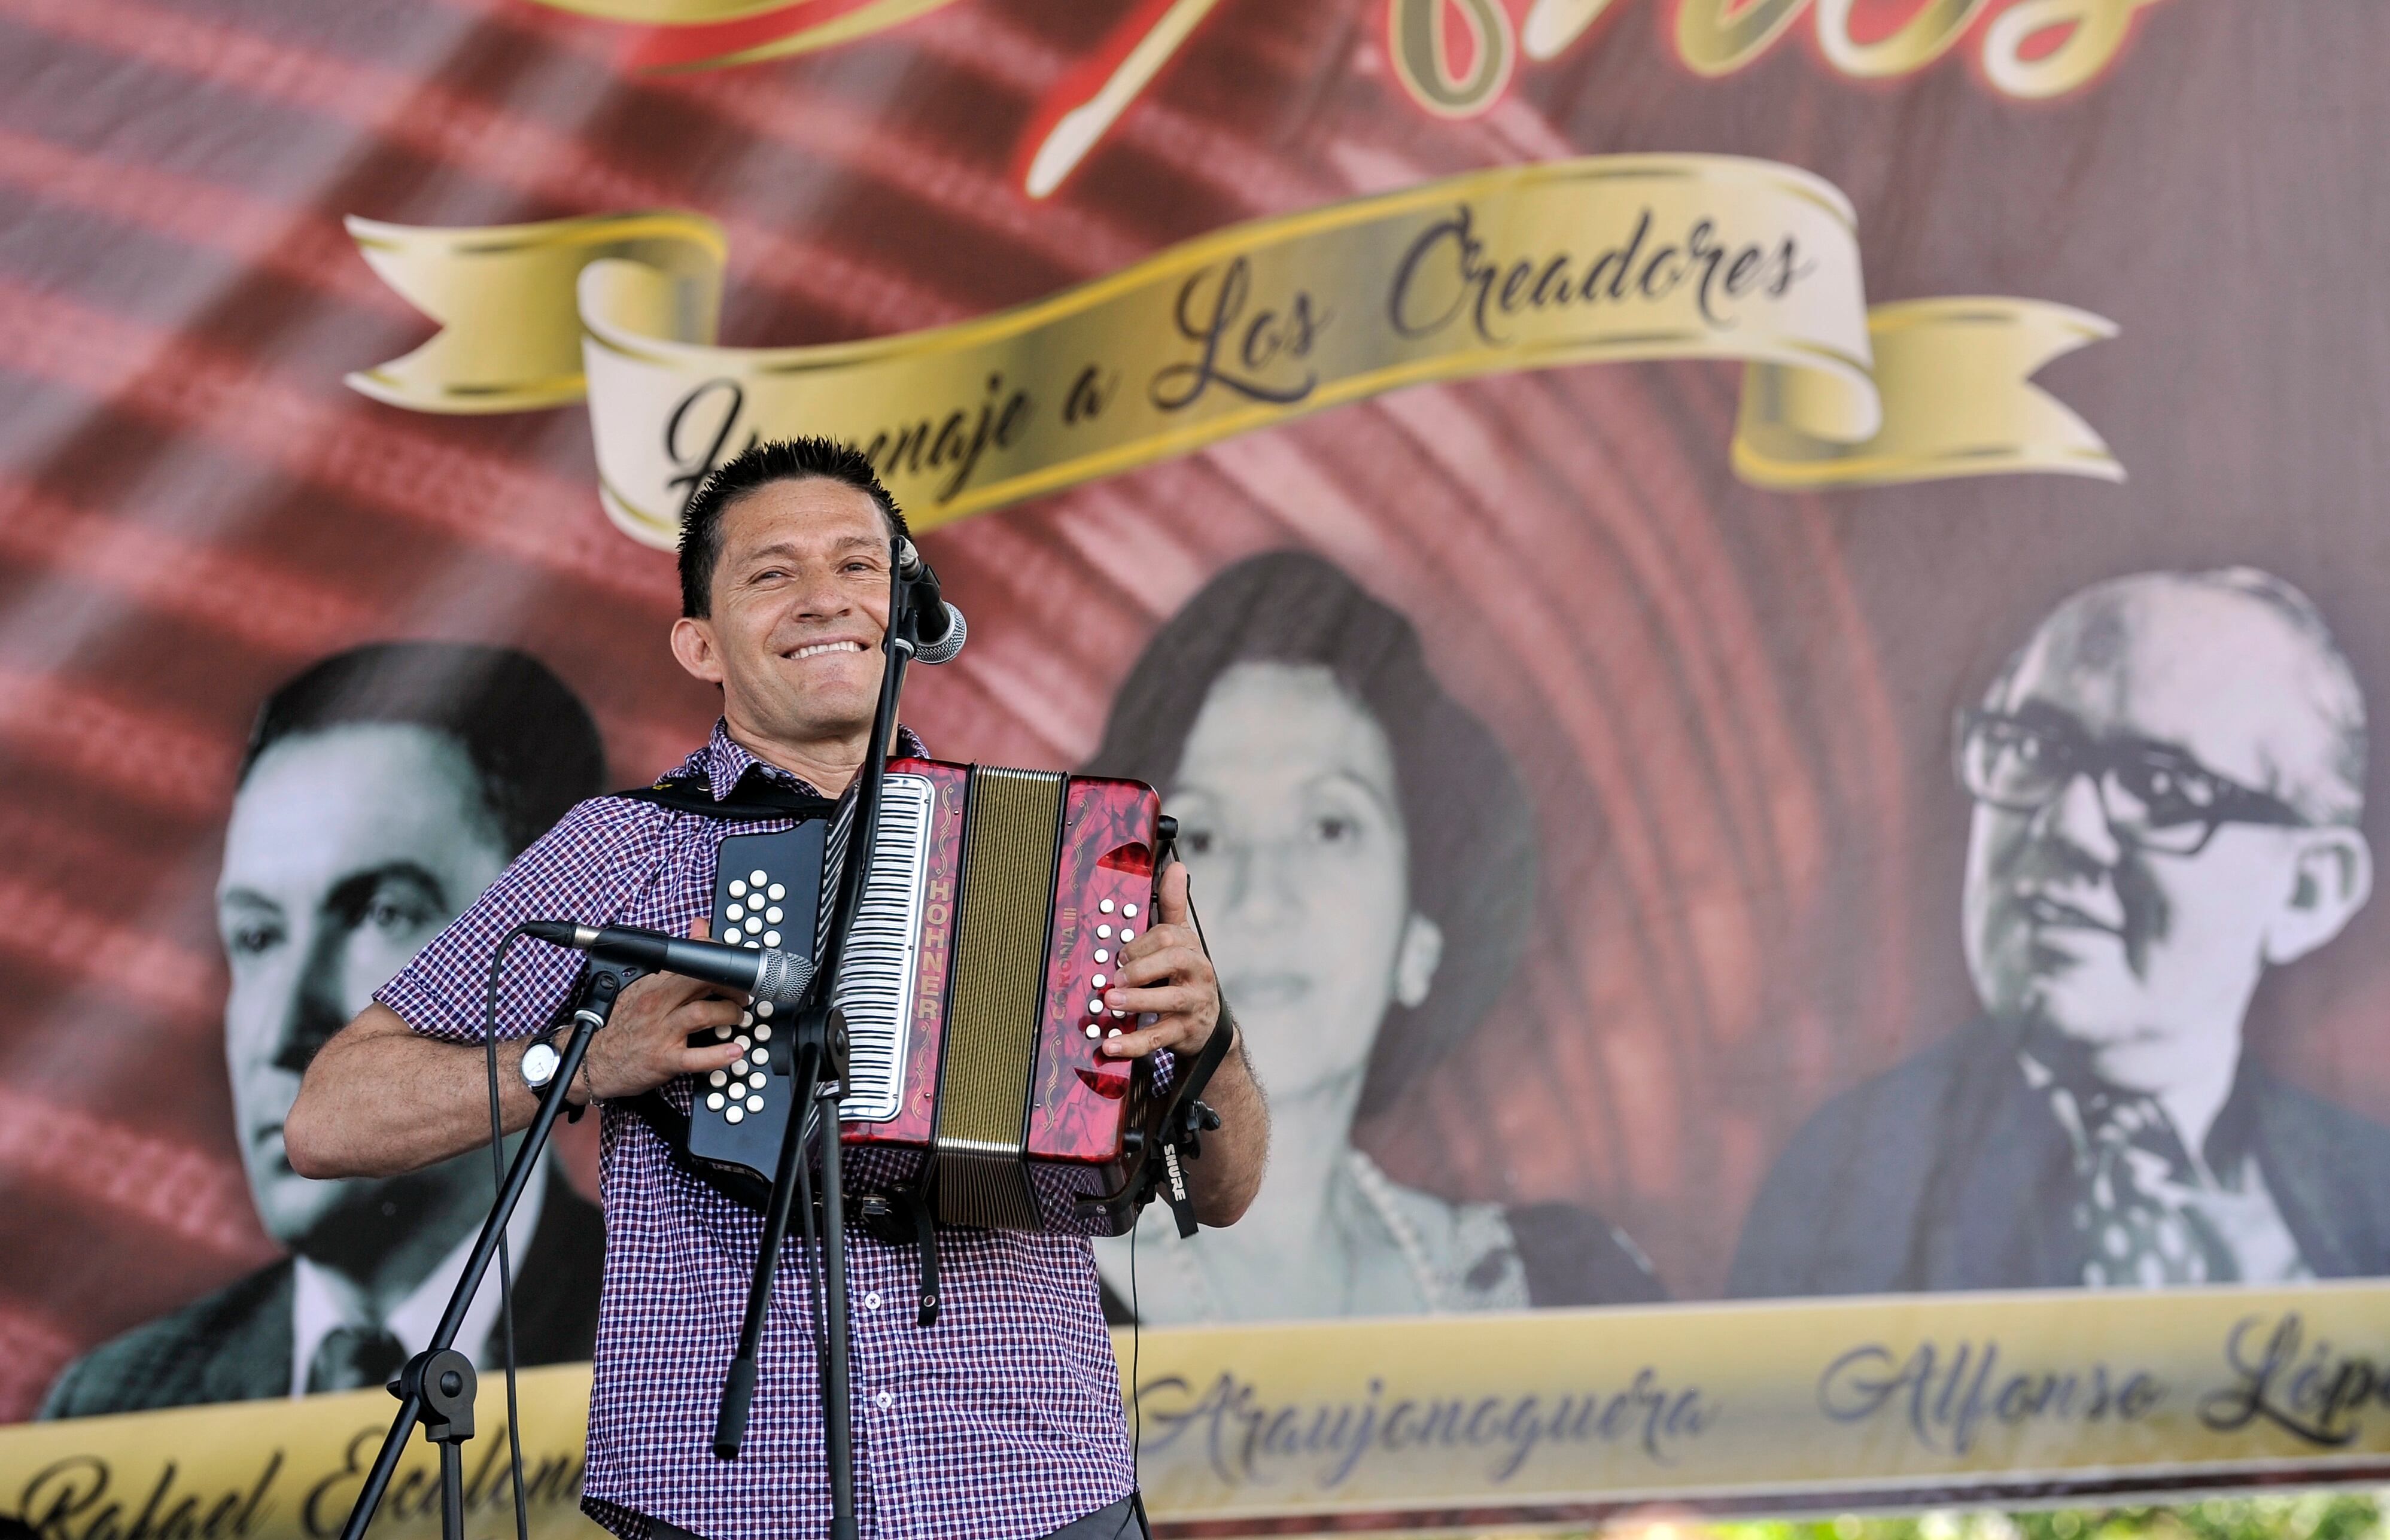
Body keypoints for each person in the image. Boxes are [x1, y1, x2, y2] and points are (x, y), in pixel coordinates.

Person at [281, 439, 1266, 1540]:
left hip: (1036, 1487)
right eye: (770, 572)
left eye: (858, 565)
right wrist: (589, 1055)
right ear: (697, 643)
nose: (823, 598)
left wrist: (1211, 1032)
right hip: (733, 1500)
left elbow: (1223, 1189)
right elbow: (328, 1116)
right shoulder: (625, 848)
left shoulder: (1061, 856)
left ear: (904, 608)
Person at [1729, 568, 2390, 1296]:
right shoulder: (1851, 1184)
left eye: (2162, 788)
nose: (2065, 827)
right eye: (2037, 751)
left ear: (2307, 891)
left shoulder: (2368, 1198)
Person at [1084, 552, 1663, 1321]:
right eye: (1211, 836)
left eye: (1329, 826)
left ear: (1419, 939)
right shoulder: (1010, 1296)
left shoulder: (1565, 1292)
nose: (1263, 901)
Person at [41, 643, 609, 1418]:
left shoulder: (707, 1356)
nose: (282, 1032)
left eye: (383, 914)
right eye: (257, 936)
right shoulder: (112, 1411)